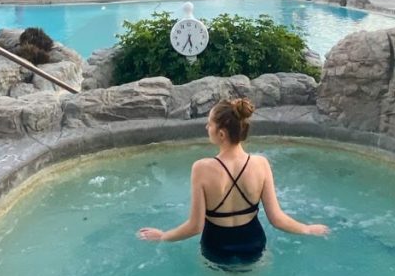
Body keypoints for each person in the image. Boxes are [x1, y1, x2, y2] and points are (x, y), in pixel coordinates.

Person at [138, 98, 329, 264]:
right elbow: (276, 219)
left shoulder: (201, 169)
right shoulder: (261, 164)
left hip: (216, 247)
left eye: (210, 124)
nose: (206, 127)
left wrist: (163, 236)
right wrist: (307, 229)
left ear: (221, 133)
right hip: (253, 245)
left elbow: (195, 226)